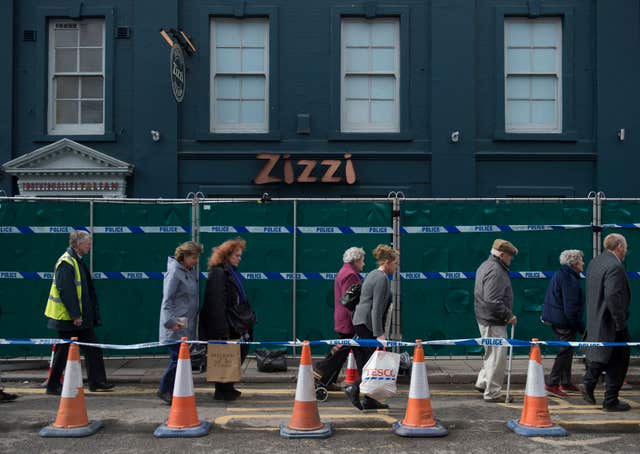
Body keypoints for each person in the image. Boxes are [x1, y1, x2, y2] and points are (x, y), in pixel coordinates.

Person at [44, 230, 114, 395]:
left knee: (92, 348)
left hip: (78, 318)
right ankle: (52, 385)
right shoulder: (67, 262)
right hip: (68, 318)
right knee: (63, 352)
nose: (90, 246)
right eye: (87, 243)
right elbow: (66, 291)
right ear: (78, 244)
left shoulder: (76, 260)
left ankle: (96, 382)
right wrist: (75, 315)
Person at [199, 237, 256, 401]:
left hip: (234, 321)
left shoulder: (230, 271)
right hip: (225, 324)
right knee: (225, 357)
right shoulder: (219, 273)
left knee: (236, 354)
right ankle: (222, 389)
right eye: (236, 255)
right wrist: (221, 331)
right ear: (226, 256)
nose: (239, 258)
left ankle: (228, 386)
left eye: (240, 255)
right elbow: (216, 303)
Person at [345, 244, 399, 410]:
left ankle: (369, 399)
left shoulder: (371, 274)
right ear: (388, 262)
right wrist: (379, 334)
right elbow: (376, 308)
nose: (396, 267)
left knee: (368, 362)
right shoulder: (382, 278)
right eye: (396, 263)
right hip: (368, 324)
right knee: (372, 364)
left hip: (360, 321)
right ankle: (353, 388)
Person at [581, 233, 631, 412]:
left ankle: (589, 382)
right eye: (625, 248)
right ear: (619, 247)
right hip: (611, 322)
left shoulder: (595, 262)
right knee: (620, 361)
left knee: (605, 356)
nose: (626, 251)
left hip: (596, 319)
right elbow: (612, 296)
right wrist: (620, 322)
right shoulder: (615, 266)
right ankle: (610, 400)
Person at [157, 240, 203, 404]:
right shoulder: (175, 273)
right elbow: (167, 301)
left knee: (181, 359)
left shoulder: (188, 271)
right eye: (194, 257)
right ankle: (164, 390)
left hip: (184, 325)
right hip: (175, 326)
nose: (196, 261)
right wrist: (170, 322)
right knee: (178, 358)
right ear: (184, 256)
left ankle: (174, 390)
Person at [313, 247, 365, 390]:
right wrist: (357, 322)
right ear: (355, 260)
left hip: (343, 318)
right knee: (343, 350)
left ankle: (326, 380)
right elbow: (350, 301)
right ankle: (321, 371)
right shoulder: (351, 275)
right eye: (362, 261)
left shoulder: (344, 271)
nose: (363, 264)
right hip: (348, 320)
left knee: (342, 351)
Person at [474, 239, 518, 403]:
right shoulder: (496, 271)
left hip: (485, 317)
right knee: (497, 357)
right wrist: (508, 315)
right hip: (493, 320)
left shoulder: (485, 265)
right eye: (509, 256)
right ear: (501, 254)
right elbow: (492, 300)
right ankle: (493, 393)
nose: (511, 259)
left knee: (490, 353)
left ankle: (483, 382)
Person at [541, 250, 586, 397]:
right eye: (581, 260)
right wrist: (581, 327)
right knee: (565, 351)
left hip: (557, 317)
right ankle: (552, 383)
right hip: (563, 320)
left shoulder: (563, 274)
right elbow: (571, 307)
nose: (583, 263)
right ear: (573, 263)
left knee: (568, 349)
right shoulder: (569, 278)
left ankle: (565, 381)